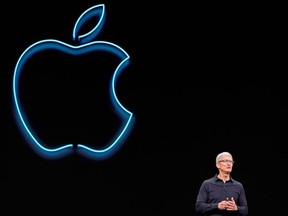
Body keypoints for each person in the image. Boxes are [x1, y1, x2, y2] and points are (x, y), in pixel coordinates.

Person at [195, 151, 248, 216]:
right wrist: (217, 206)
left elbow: (245, 210)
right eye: (225, 161)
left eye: (231, 161)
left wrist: (236, 208)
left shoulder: (238, 186)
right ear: (218, 165)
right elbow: (199, 207)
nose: (229, 164)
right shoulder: (207, 184)